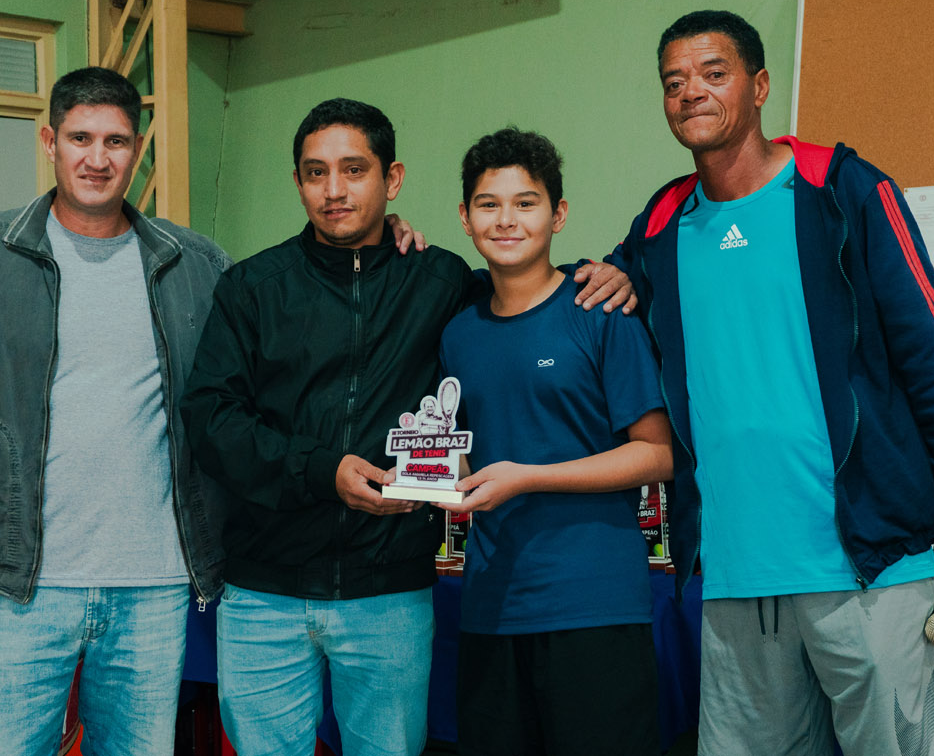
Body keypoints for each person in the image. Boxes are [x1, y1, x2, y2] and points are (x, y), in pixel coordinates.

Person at [180, 98, 635, 756]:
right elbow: (210, 419)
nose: (334, 190)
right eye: (315, 172)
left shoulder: (440, 280)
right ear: (298, 182)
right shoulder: (252, 287)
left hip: (388, 594)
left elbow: (523, 290)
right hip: (263, 594)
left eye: (353, 170)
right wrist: (323, 470)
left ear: (391, 179)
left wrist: (606, 273)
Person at [607, 10, 934, 756]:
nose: (691, 92)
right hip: (734, 572)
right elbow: (571, 292)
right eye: (673, 82)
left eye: (713, 74)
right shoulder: (659, 225)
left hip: (867, 563)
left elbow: (931, 351)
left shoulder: (841, 190)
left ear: (759, 86)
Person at [0, 67, 233, 756]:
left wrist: (377, 244)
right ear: (49, 142)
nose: (98, 158)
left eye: (116, 141)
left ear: (137, 148)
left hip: (153, 587)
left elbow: (251, 384)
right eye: (80, 138)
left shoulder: (197, 265)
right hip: (19, 585)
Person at [437, 127, 673, 756]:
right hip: (490, 606)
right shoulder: (458, 334)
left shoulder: (600, 310)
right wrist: (433, 479)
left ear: (558, 214)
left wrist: (530, 476)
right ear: (464, 217)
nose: (506, 220)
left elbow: (658, 453)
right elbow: (463, 452)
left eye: (526, 202)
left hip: (594, 604)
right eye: (488, 204)